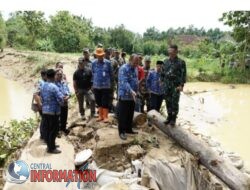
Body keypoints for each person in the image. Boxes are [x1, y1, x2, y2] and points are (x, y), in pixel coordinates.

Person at [40, 69, 65, 154]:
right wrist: (63, 102)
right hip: (53, 112)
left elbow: (41, 97)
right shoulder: (54, 87)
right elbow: (60, 98)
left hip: (45, 111)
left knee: (47, 129)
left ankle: (50, 145)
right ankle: (52, 148)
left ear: (46, 76)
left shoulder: (43, 85)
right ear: (54, 76)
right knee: (54, 130)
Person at [162, 45, 186, 126]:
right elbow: (162, 72)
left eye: (172, 52)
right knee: (168, 101)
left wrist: (181, 85)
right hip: (166, 85)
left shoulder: (181, 62)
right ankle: (169, 117)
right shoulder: (165, 61)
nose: (170, 54)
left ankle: (173, 118)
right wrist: (161, 81)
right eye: (169, 52)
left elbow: (183, 74)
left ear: (176, 52)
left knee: (174, 102)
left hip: (175, 86)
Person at [117, 54, 139, 140]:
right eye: (134, 62)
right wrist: (131, 91)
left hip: (132, 96)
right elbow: (124, 82)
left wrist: (137, 91)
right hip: (125, 96)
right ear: (130, 60)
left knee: (130, 114)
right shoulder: (123, 68)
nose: (136, 64)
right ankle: (121, 131)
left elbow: (135, 80)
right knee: (123, 115)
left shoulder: (135, 69)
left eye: (137, 63)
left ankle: (128, 129)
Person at [92, 48, 113, 123]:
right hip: (96, 85)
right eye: (98, 55)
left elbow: (111, 74)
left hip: (106, 86)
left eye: (101, 55)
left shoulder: (108, 63)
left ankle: (105, 116)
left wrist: (111, 85)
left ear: (103, 55)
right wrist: (92, 84)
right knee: (98, 101)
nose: (100, 57)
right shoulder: (93, 63)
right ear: (96, 55)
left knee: (105, 101)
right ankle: (100, 116)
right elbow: (92, 73)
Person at [55, 69, 70, 135]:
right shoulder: (53, 84)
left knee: (64, 116)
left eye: (61, 74)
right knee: (58, 118)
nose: (59, 76)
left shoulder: (64, 82)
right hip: (58, 103)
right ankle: (57, 131)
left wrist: (68, 96)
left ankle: (63, 129)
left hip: (65, 102)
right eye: (58, 74)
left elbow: (69, 91)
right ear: (55, 75)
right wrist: (61, 98)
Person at [33, 69, 47, 140]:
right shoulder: (39, 83)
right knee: (44, 120)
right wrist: (40, 104)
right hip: (41, 105)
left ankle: (44, 135)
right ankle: (43, 135)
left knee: (45, 119)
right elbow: (35, 94)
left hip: (45, 105)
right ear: (43, 76)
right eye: (46, 75)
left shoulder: (45, 82)